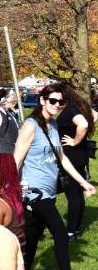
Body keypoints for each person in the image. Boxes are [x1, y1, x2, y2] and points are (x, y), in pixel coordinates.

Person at [13, 83, 95, 270]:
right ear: (42, 100)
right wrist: (12, 190)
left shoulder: (53, 124)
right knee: (60, 232)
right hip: (33, 192)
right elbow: (16, 160)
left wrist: (83, 182)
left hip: (49, 192)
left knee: (31, 243)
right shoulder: (30, 126)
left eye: (61, 102)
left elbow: (62, 158)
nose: (57, 105)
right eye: (53, 101)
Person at [58, 84, 97, 240]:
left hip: (71, 156)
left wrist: (75, 141)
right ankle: (75, 228)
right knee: (77, 194)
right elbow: (95, 115)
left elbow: (84, 124)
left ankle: (71, 230)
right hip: (79, 156)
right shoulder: (80, 107)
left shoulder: (71, 110)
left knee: (73, 195)